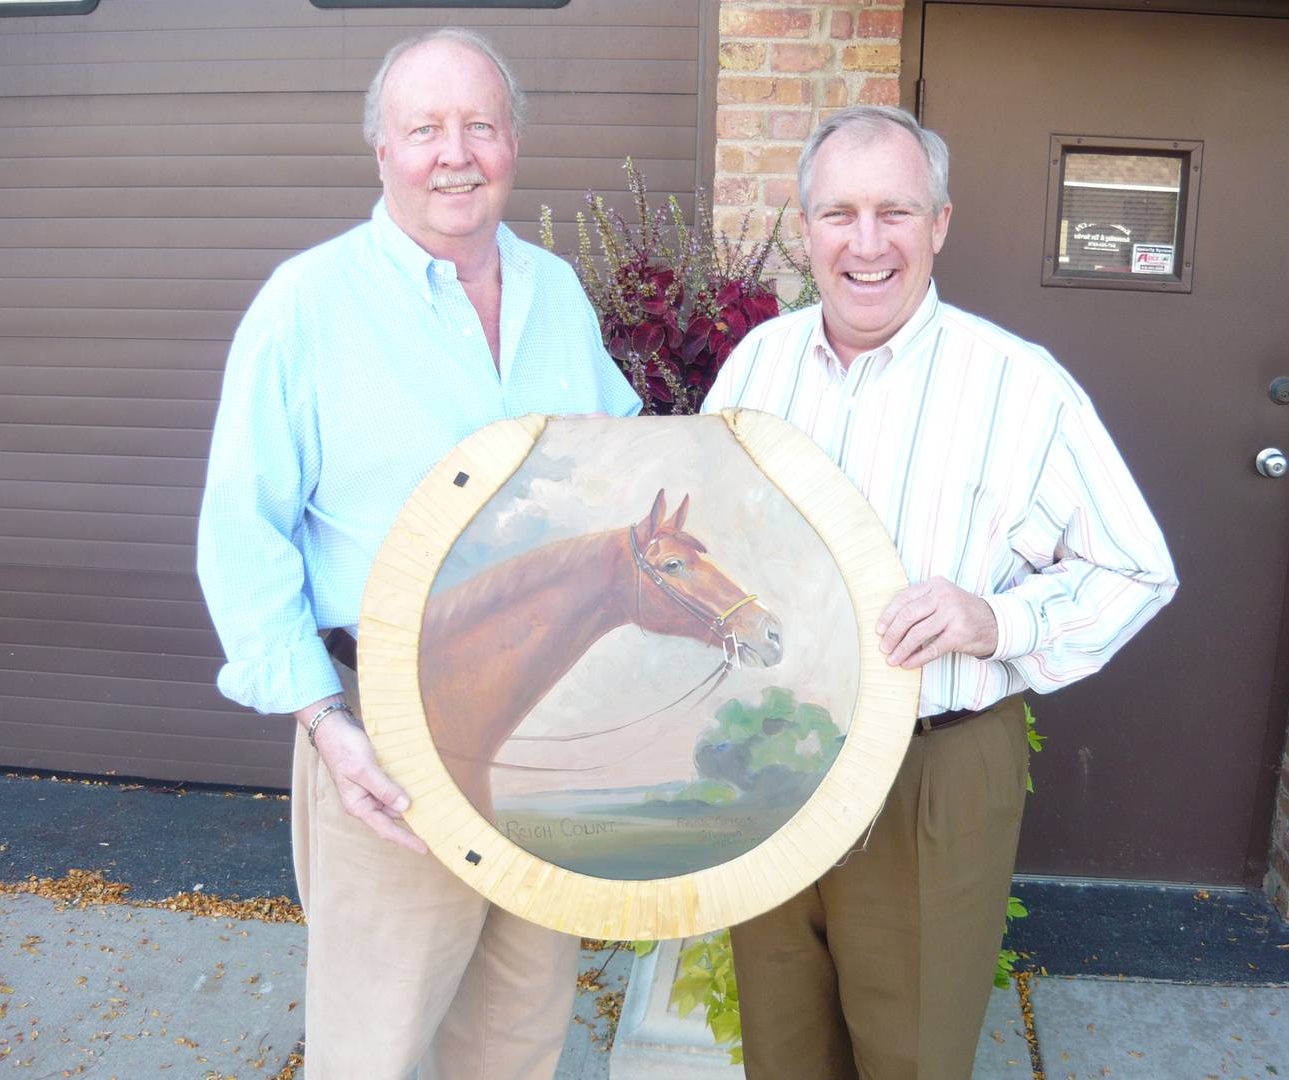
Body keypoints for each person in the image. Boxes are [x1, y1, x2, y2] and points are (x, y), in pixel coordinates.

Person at [196, 28, 640, 1080]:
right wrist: (325, 725)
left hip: (547, 739)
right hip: (386, 743)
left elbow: (614, 465)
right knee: (377, 1048)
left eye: (480, 125)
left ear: (515, 143)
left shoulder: (557, 294)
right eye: (426, 128)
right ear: (381, 150)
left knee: (519, 1037)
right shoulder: (306, 306)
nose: (457, 153)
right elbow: (239, 526)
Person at [702, 105, 1177, 1080]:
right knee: (782, 1055)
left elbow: (1135, 568)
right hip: (771, 765)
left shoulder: (1017, 385)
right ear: (805, 228)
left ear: (941, 225)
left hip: (933, 773)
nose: (866, 243)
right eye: (839, 213)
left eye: (896, 212)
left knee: (912, 1060)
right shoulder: (758, 366)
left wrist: (997, 619)